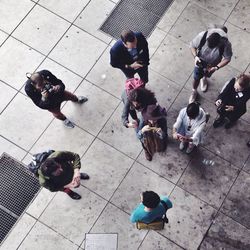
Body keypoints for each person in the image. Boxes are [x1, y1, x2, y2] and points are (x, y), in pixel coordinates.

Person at [189, 26, 232, 103]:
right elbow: (192, 46)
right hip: (200, 61)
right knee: (196, 77)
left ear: (219, 42)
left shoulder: (225, 44)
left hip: (213, 64)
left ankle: (204, 78)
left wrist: (216, 67)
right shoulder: (203, 35)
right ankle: (194, 91)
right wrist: (195, 57)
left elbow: (227, 58)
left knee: (207, 74)